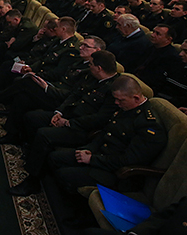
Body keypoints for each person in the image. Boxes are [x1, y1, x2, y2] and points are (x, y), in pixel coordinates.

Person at [7, 50, 121, 196]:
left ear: (99, 68)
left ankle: (32, 182)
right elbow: (74, 95)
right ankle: (31, 152)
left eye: (91, 64)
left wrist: (68, 123)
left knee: (44, 134)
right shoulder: (91, 76)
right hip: (68, 115)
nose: (89, 66)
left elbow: (99, 119)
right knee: (32, 117)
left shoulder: (114, 89)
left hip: (82, 129)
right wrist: (59, 112)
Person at [49, 75, 167, 194]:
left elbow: (127, 160)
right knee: (55, 158)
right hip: (101, 155)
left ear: (136, 98)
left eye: (120, 100)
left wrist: (92, 159)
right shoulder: (126, 108)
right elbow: (105, 132)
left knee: (64, 175)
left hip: (115, 172)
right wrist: (90, 149)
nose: (116, 103)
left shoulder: (149, 126)